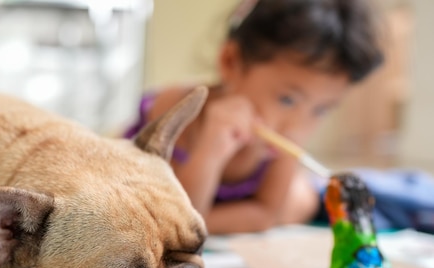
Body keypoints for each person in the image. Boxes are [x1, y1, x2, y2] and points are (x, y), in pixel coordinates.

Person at [124, 0, 385, 234]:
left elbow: (265, 214)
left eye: (321, 109)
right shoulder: (174, 111)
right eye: (287, 100)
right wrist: (210, 151)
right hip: (169, 196)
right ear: (230, 62)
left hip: (211, 210)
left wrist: (204, 221)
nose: (297, 126)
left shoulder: (289, 136)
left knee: (302, 201)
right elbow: (178, 215)